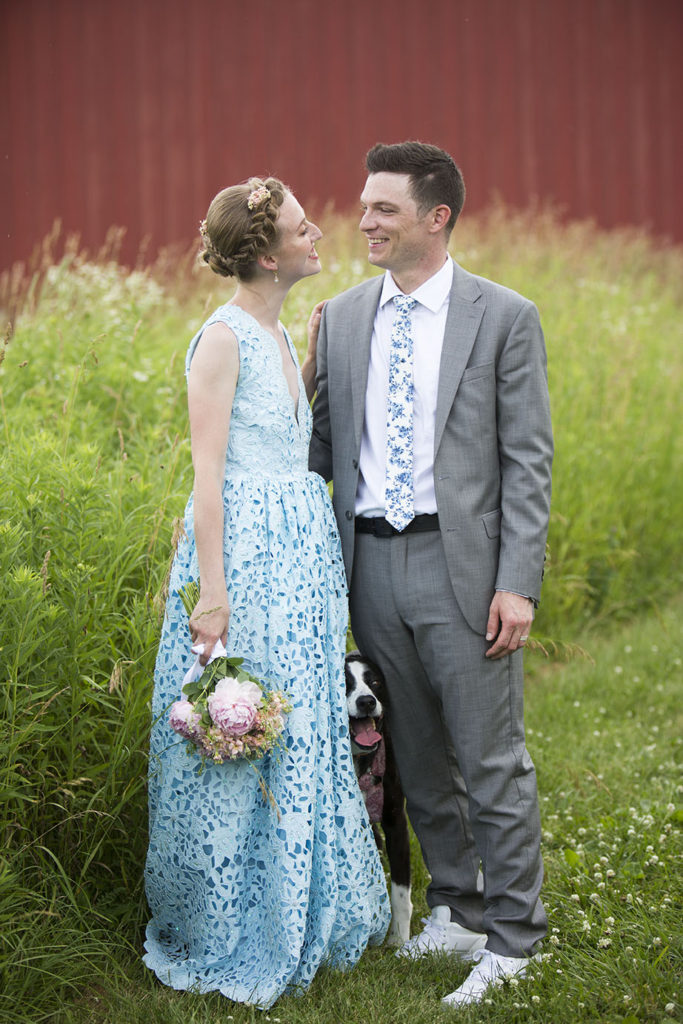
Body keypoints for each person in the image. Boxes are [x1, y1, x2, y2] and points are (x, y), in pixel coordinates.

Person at [309, 142, 553, 1008]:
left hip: (465, 565)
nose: (363, 221)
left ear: (436, 217)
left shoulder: (503, 316)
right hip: (369, 562)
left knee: (489, 759)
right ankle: (456, 906)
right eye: (363, 205)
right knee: (412, 751)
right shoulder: (337, 318)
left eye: (383, 208)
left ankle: (516, 939)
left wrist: (516, 581)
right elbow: (318, 451)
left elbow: (526, 460)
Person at [143, 177, 389, 1009]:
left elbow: (280, 432)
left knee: (299, 722)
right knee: (239, 725)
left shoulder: (276, 331)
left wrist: (311, 362)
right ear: (262, 253)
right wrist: (211, 596)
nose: (318, 232)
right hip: (243, 558)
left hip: (298, 552)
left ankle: (299, 899)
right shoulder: (220, 339)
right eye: (299, 227)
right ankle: (224, 921)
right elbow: (207, 477)